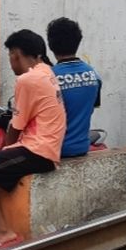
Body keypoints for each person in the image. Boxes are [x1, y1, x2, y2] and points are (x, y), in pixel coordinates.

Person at [0, 29, 65, 250]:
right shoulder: (46, 72)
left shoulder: (27, 79)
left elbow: (16, 127)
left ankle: (2, 232)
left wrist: (3, 148)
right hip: (48, 148)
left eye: (10, 55)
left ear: (17, 54)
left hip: (37, 150)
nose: (10, 61)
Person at [47, 17, 101, 158]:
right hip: (82, 146)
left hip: (54, 149)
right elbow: (89, 109)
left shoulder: (48, 78)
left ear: (50, 45)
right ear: (78, 41)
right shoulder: (94, 75)